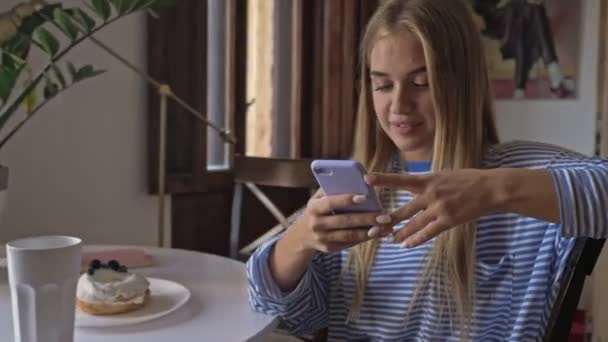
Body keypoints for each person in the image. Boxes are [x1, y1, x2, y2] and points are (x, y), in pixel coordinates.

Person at [246, 0, 608, 340]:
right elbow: (291, 314)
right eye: (383, 85)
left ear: (462, 84)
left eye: (422, 83)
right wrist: (300, 240)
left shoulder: (519, 173)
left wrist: (495, 191)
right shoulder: (360, 189)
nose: (399, 105)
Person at [472, 0, 575, 99]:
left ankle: (520, 89)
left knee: (526, 17)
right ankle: (554, 75)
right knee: (533, 10)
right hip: (498, 18)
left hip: (518, 15)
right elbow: (478, 5)